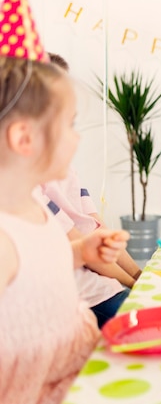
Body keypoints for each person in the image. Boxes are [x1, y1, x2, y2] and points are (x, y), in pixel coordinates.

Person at [0, 53, 129, 401]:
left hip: (75, 365)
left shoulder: (34, 202)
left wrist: (80, 252)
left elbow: (39, 260)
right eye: (69, 124)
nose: (77, 139)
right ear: (24, 139)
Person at [38, 52, 141, 328]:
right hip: (87, 295)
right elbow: (84, 249)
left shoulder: (67, 171)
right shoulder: (35, 190)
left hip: (106, 286)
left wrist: (138, 274)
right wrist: (131, 282)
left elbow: (97, 229)